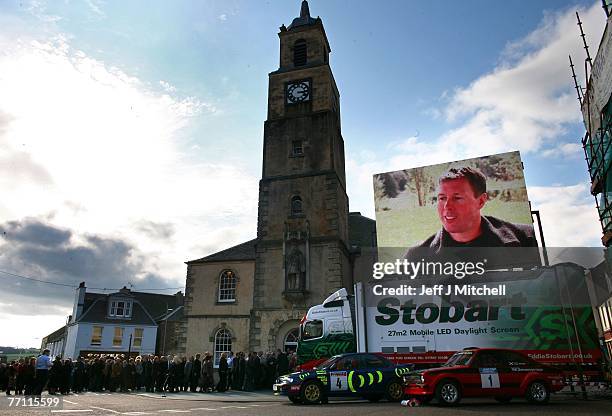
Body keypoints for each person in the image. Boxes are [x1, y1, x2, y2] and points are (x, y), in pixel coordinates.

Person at [406, 166, 537, 254]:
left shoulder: (528, 239)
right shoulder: (416, 258)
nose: (447, 207)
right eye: (442, 198)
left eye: (457, 198)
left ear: (481, 201)